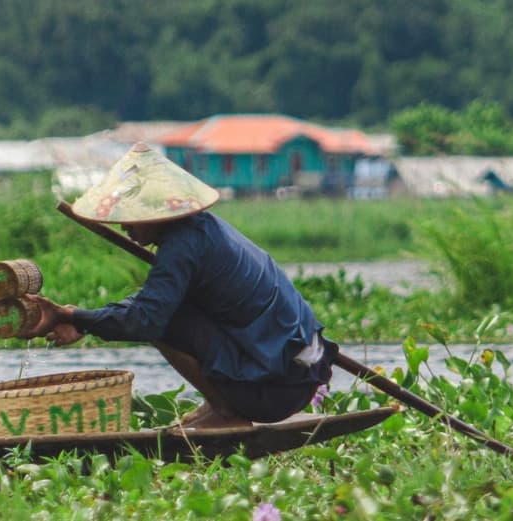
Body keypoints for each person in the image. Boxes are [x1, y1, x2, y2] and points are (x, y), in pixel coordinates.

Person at [17, 143, 334, 430]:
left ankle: (226, 412)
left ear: (157, 212)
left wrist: (73, 315)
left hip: (278, 387)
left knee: (160, 322)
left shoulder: (184, 246)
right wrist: (81, 322)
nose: (125, 225)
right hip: (291, 375)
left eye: (133, 215)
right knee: (162, 310)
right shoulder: (199, 231)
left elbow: (146, 320)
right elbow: (149, 302)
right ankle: (217, 404)